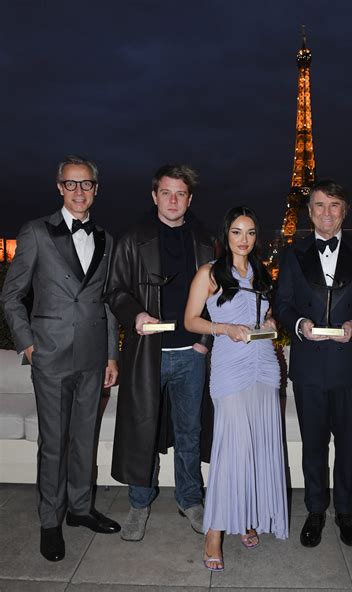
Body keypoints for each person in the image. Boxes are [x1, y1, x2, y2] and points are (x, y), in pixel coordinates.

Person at [1, 155, 120, 562]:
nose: (79, 191)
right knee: (53, 443)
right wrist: (28, 344)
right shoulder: (36, 232)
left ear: (96, 189)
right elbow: (11, 296)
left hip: (92, 357)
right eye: (71, 183)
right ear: (59, 187)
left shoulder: (105, 238)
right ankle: (50, 521)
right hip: (49, 357)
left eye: (86, 184)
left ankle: (80, 509)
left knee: (84, 438)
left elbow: (106, 303)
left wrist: (111, 355)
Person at [105, 164, 215, 541]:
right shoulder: (132, 238)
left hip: (191, 352)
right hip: (147, 353)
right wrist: (135, 314)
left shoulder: (205, 240)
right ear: (154, 196)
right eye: (166, 193)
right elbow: (115, 290)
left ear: (189, 199)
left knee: (190, 431)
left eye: (180, 193)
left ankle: (190, 499)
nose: (172, 200)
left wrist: (205, 343)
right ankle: (139, 504)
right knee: (143, 430)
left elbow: (220, 297)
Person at [274, 179, 352, 548]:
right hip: (309, 367)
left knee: (350, 445)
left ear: (345, 211)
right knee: (313, 445)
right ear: (309, 211)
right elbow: (283, 304)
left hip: (351, 367)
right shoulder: (292, 254)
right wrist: (300, 325)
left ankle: (346, 512)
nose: (326, 212)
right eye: (319, 205)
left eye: (334, 205)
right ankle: (316, 510)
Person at [184, 206, 288, 572]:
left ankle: (248, 517)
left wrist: (270, 323)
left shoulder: (262, 273)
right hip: (230, 366)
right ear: (225, 235)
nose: (244, 240)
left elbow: (265, 315)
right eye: (237, 232)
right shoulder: (210, 273)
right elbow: (190, 319)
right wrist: (224, 328)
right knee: (231, 449)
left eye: (250, 233)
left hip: (264, 363)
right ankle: (214, 533)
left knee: (258, 445)